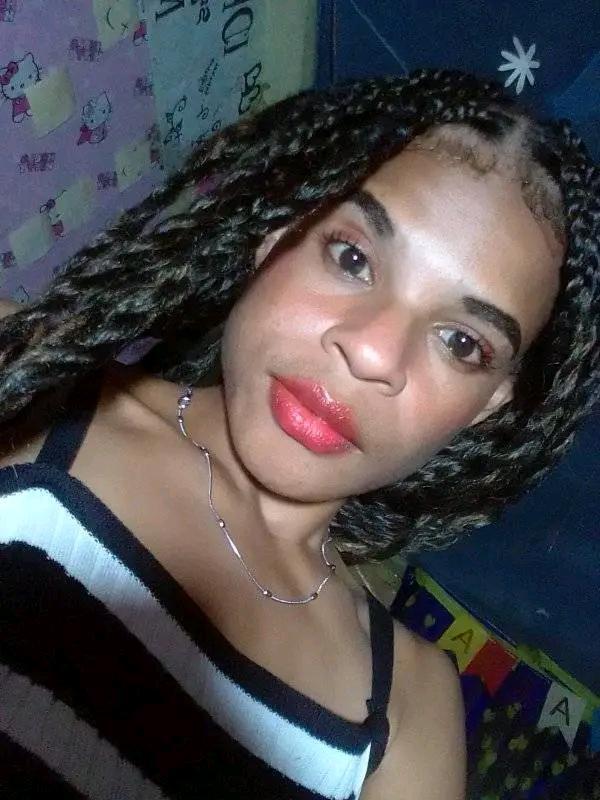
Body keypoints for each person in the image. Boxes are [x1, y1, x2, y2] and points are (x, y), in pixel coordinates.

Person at [0, 68, 598, 800]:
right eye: (352, 257)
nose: (372, 352)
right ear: (280, 231)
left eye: (461, 343)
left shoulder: (409, 714)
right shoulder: (28, 384)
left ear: (486, 407)